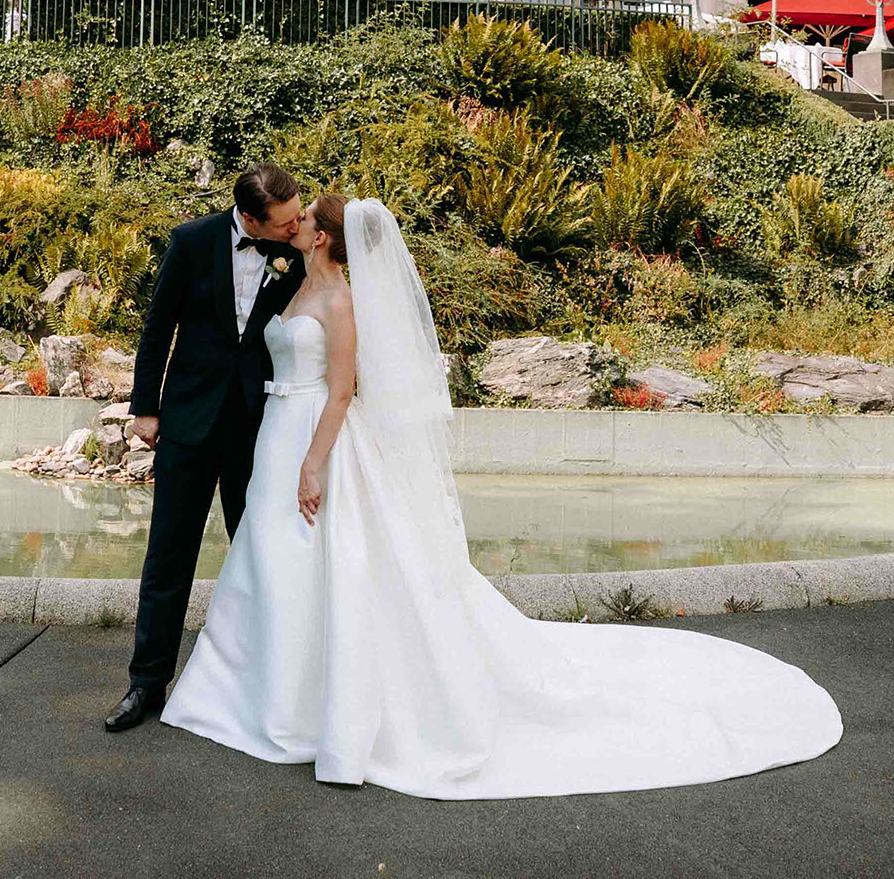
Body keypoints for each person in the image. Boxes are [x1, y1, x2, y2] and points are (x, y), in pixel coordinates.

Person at [161, 195, 844, 797]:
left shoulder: (339, 301)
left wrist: (314, 465)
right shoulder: (292, 283)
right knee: (276, 565)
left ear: (324, 238)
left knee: (332, 564)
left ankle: (319, 711)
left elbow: (342, 392)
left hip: (316, 441)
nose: (296, 222)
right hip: (276, 436)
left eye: (306, 217)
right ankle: (262, 694)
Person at [104, 163, 307, 735]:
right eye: (286, 222)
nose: (295, 227)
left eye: (297, 217)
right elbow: (157, 327)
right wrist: (145, 408)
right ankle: (146, 684)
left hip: (258, 428)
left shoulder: (296, 253)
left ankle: (266, 686)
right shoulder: (190, 242)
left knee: (260, 556)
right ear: (250, 219)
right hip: (188, 422)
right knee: (168, 556)